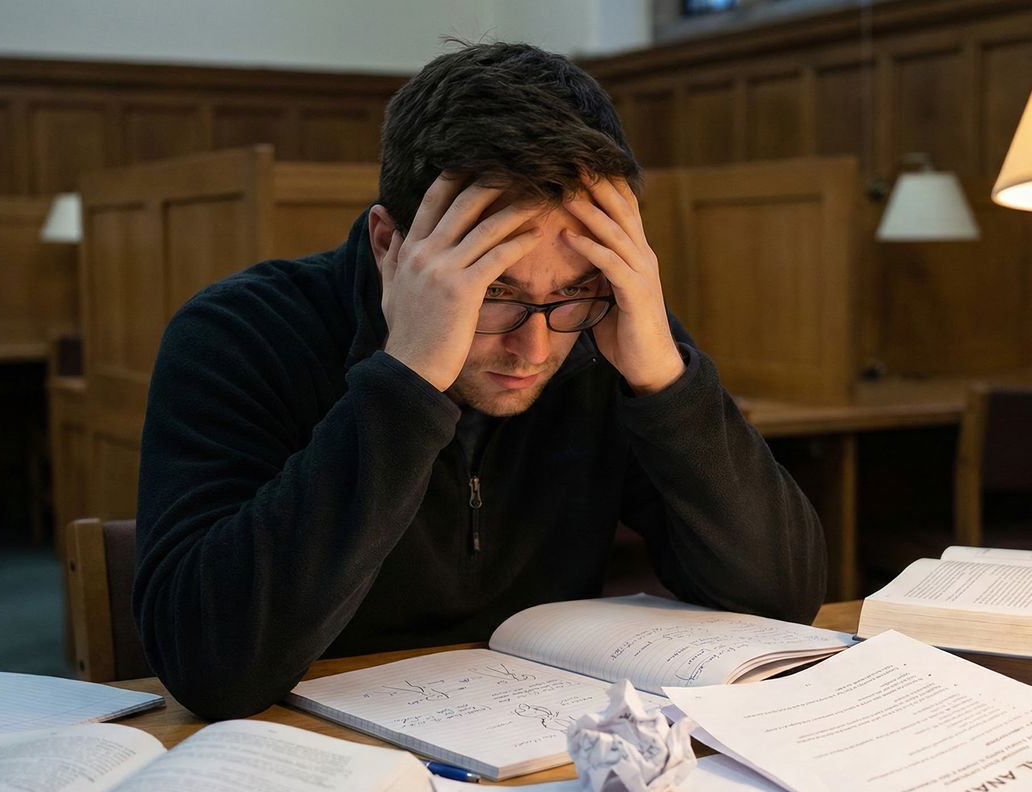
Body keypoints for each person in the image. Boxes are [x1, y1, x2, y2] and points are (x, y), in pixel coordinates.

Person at [135, 41, 825, 720]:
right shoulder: (238, 333)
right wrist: (407, 379)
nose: (533, 345)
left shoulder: (601, 329)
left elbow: (780, 602)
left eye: (574, 290)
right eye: (494, 290)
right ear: (389, 246)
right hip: (309, 757)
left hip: (546, 753)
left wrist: (665, 381)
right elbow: (209, 668)